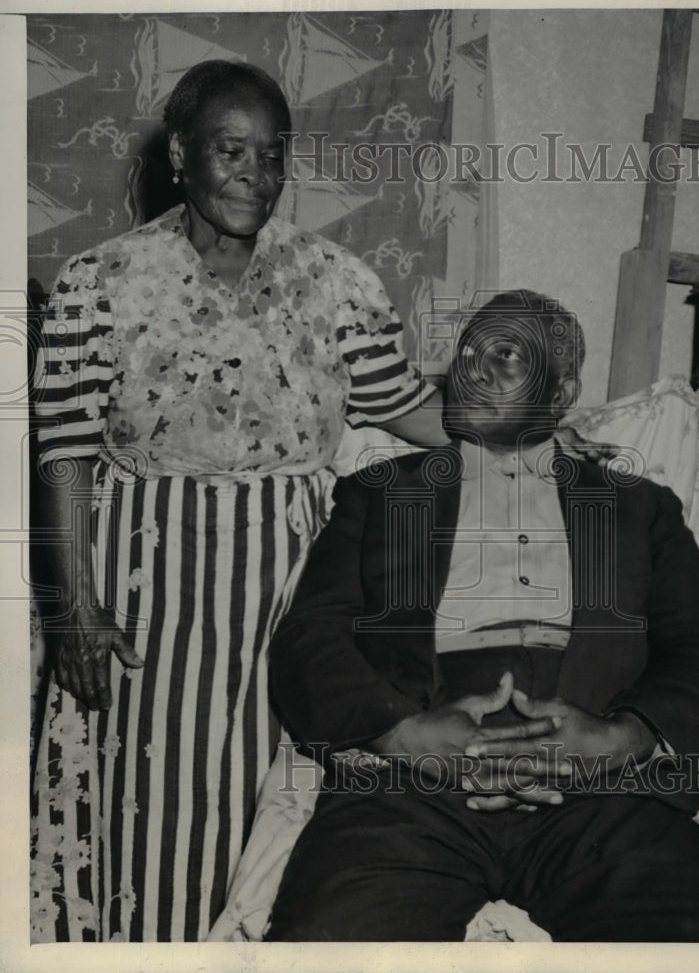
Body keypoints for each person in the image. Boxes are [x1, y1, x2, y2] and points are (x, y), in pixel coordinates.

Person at [30, 59, 451, 943]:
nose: (254, 176)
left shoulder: (334, 279)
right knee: (154, 814)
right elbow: (64, 454)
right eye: (231, 151)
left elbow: (409, 406)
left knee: (272, 809)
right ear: (181, 154)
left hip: (291, 590)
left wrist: (523, 421)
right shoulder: (99, 279)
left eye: (271, 155)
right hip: (150, 594)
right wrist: (72, 610)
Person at [266, 290, 699, 942]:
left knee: (689, 936)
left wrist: (624, 738)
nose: (473, 368)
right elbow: (310, 638)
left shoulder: (641, 506)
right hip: (409, 790)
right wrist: (402, 736)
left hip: (604, 793)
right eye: (468, 352)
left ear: (561, 393)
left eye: (504, 354)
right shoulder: (379, 493)